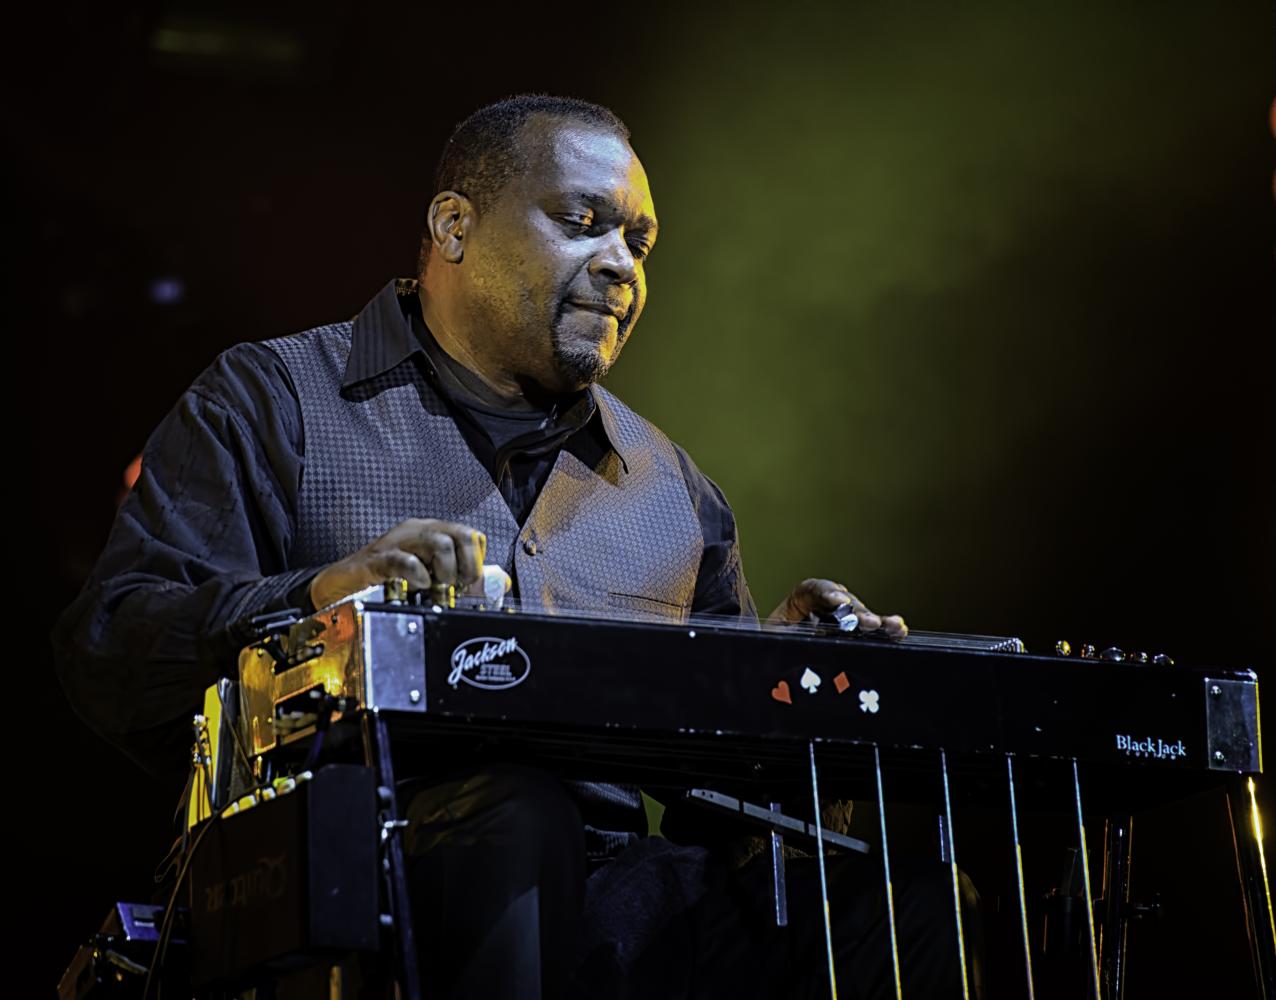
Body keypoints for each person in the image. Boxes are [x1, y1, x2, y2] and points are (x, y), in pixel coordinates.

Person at [54, 95, 976, 999]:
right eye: (584, 222)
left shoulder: (673, 487)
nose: (622, 267)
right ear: (454, 225)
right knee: (515, 817)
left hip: (614, 907)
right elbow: (113, 648)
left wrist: (772, 681)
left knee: (908, 892)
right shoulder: (276, 399)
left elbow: (710, 800)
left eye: (640, 244)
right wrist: (317, 598)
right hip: (346, 889)